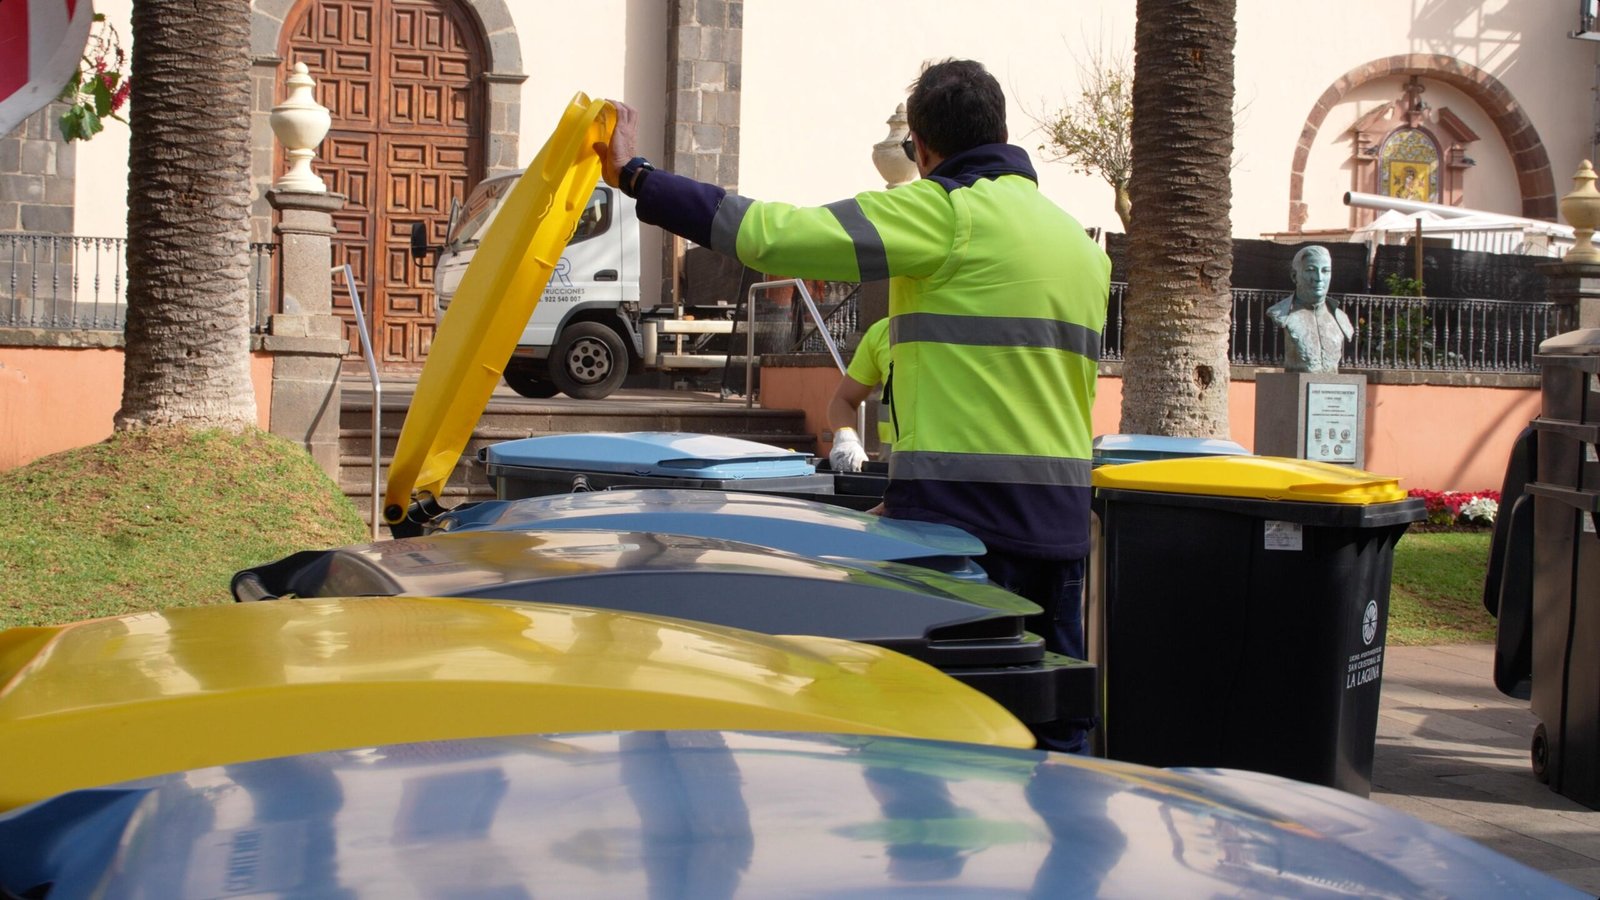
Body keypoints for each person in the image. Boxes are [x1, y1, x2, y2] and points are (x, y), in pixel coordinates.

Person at [597, 60, 1111, 748]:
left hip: (968, 537)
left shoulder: (948, 211)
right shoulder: (1079, 247)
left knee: (942, 748)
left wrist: (638, 177)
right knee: (1054, 726)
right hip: (1062, 533)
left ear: (922, 151)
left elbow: (772, 233)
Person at [1266, 245, 1353, 374]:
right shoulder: (1281, 313)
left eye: (1325, 271)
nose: (1319, 278)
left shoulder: (1341, 318)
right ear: (1294, 276)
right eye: (1311, 270)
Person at [827, 316, 893, 472]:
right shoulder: (883, 332)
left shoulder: (961, 329)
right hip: (893, 478)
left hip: (956, 482)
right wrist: (846, 439)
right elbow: (843, 400)